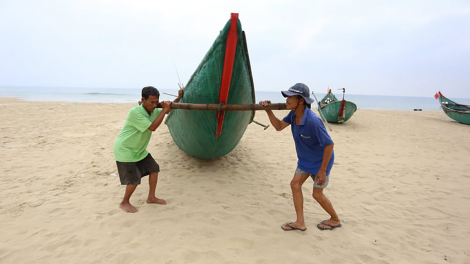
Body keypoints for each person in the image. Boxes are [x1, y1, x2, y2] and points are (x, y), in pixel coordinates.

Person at [259, 83, 341, 231]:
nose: (287, 99)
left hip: (321, 161)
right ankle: (300, 222)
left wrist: (322, 171)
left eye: (291, 97)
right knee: (295, 184)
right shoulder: (293, 115)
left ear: (301, 100)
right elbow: (278, 126)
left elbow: (329, 145)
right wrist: (268, 111)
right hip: (305, 160)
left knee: (317, 194)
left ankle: (335, 219)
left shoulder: (313, 121)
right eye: (287, 96)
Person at [113, 86, 183, 213]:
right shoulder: (135, 112)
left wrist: (178, 98)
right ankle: (124, 202)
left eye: (157, 102)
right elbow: (152, 127)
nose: (154, 105)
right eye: (151, 102)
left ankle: (151, 197)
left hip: (139, 150)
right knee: (134, 180)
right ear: (143, 100)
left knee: (154, 169)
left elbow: (168, 109)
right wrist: (163, 109)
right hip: (125, 149)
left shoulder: (153, 110)